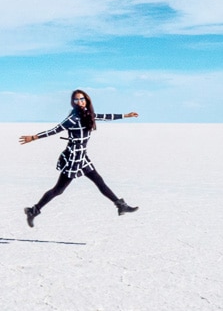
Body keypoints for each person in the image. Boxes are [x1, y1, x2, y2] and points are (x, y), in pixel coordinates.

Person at [19, 89, 139, 227]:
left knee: (99, 181)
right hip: (73, 158)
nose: (80, 102)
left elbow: (105, 116)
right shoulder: (73, 118)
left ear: (86, 100)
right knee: (58, 190)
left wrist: (126, 115)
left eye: (82, 99)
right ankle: (33, 210)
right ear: (73, 102)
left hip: (82, 156)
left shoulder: (88, 114)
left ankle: (120, 205)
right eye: (76, 100)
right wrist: (34, 137)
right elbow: (55, 130)